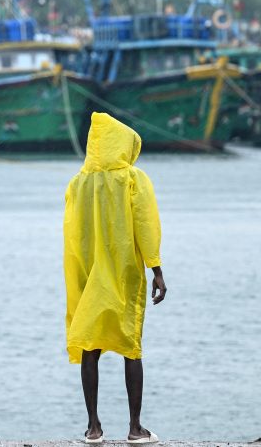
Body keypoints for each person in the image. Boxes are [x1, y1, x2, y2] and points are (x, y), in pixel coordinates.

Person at [64, 112, 166, 445]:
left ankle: (93, 428)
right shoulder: (133, 179)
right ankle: (135, 428)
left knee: (90, 346)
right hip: (124, 274)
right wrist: (157, 270)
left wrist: (78, 273)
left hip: (89, 274)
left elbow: (72, 233)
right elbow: (146, 225)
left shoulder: (78, 183)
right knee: (130, 348)